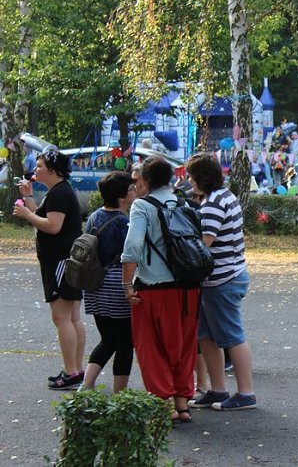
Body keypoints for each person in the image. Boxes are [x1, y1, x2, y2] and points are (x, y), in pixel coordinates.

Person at [120, 157, 200, 422]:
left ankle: (163, 405)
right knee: (183, 345)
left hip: (154, 288)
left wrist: (126, 284)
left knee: (153, 347)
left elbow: (132, 247)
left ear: (146, 179)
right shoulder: (183, 202)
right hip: (189, 287)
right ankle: (183, 404)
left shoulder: (142, 206)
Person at [186, 153, 257, 411]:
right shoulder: (225, 197)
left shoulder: (213, 203)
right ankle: (218, 390)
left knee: (231, 336)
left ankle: (246, 393)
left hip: (222, 279)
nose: (189, 181)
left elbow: (204, 244)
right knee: (206, 335)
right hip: (222, 277)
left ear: (201, 177)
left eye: (192, 176)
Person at [13, 150, 85, 390]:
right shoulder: (59, 191)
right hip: (65, 260)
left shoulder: (59, 193)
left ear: (53, 170)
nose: (36, 169)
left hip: (60, 261)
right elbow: (44, 216)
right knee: (72, 317)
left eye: (40, 165)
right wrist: (29, 198)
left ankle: (71, 370)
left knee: (62, 317)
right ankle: (75, 370)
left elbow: (53, 227)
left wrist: (25, 214)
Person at [81, 171, 136, 392]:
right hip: (116, 285)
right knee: (125, 343)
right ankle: (120, 394)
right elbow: (130, 256)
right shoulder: (124, 222)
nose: (134, 192)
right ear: (122, 197)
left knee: (107, 339)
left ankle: (86, 385)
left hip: (94, 283)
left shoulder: (94, 216)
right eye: (131, 189)